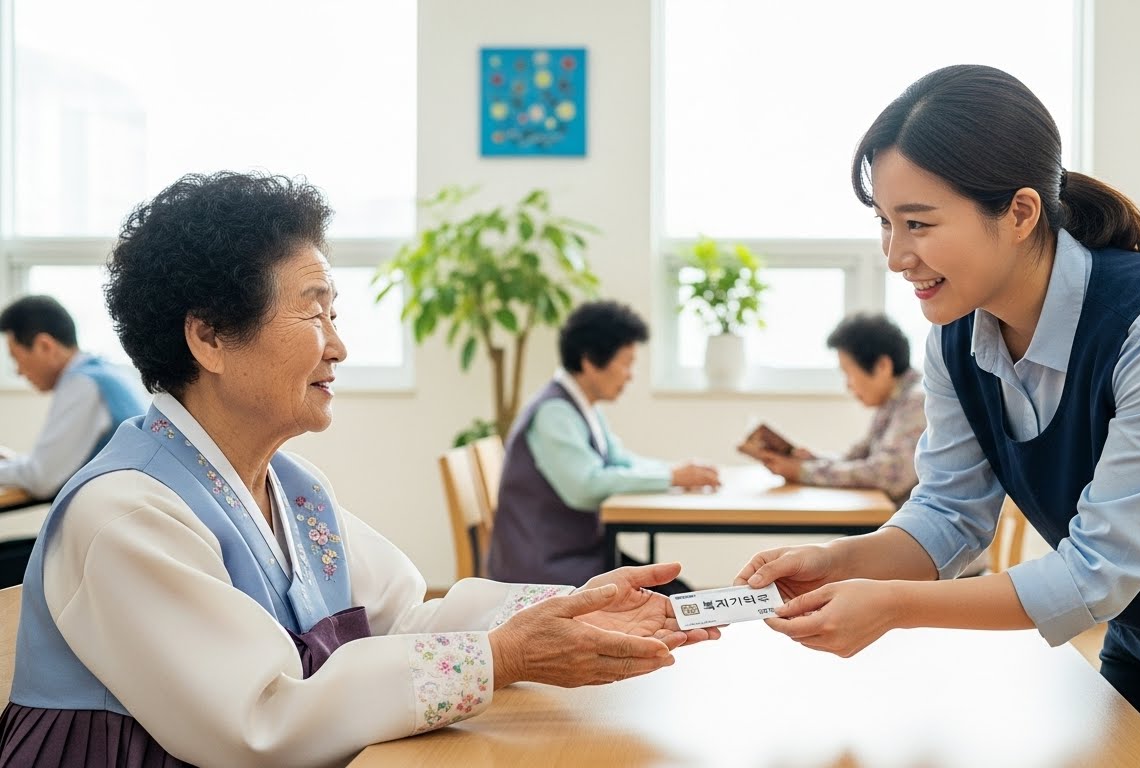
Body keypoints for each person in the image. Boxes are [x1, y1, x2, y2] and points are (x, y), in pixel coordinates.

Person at [736, 64, 1140, 767]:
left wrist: (889, 606)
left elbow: (1098, 570)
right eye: (884, 223)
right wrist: (838, 561)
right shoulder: (955, 337)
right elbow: (948, 513)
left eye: (918, 223)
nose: (894, 255)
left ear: (1020, 213)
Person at [0, 172, 718, 768]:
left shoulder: (294, 488)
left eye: (334, 315)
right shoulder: (126, 515)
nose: (338, 347)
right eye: (314, 315)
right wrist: (498, 658)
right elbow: (262, 721)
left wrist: (563, 612)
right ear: (210, 336)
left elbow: (406, 617)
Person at [486, 300, 719, 592]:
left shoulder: (582, 406)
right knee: (675, 596)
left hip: (574, 555)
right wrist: (672, 477)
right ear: (590, 361)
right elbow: (585, 487)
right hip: (545, 569)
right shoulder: (554, 412)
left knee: (676, 590)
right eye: (625, 363)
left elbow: (619, 460)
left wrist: (676, 472)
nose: (630, 375)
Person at [757, 312, 926, 506]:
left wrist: (803, 472)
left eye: (848, 373)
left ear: (882, 366)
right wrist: (812, 459)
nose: (848, 386)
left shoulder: (917, 402)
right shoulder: (894, 400)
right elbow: (859, 456)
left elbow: (888, 475)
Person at [0, 294, 148, 499]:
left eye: (16, 358)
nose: (18, 372)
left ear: (45, 346)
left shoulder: (82, 384)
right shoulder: (105, 372)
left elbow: (41, 478)